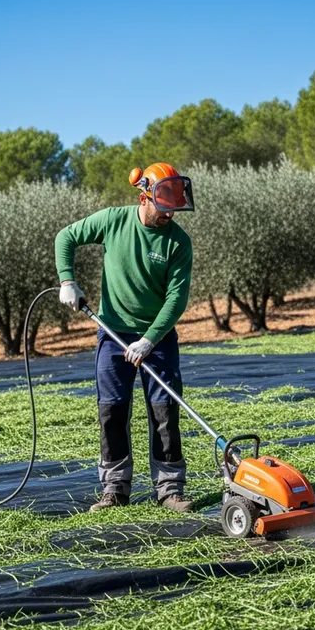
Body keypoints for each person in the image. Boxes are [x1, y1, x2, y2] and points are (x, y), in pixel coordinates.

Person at [55, 162, 196, 513]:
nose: (168, 216)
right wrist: (67, 280)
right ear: (143, 196)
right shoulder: (113, 220)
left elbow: (176, 299)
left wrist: (149, 339)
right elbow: (65, 238)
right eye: (163, 208)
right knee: (112, 412)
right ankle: (115, 489)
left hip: (158, 338)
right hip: (113, 334)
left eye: (173, 210)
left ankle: (169, 490)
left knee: (164, 412)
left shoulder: (178, 242)